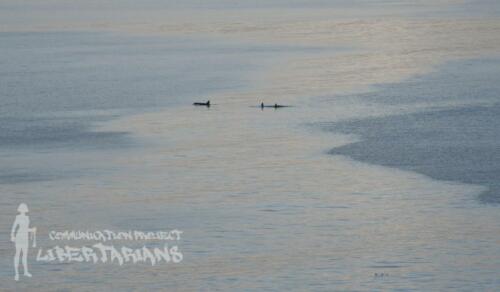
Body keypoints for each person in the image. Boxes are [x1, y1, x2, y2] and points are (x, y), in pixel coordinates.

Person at [11, 203, 36, 281]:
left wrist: (32, 230)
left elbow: (26, 229)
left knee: (25, 255)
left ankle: (25, 272)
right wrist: (12, 236)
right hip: (19, 237)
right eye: (22, 209)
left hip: (25, 238)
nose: (23, 211)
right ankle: (16, 274)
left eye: (24, 209)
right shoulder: (17, 217)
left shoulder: (27, 218)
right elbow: (14, 227)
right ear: (20, 210)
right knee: (17, 254)